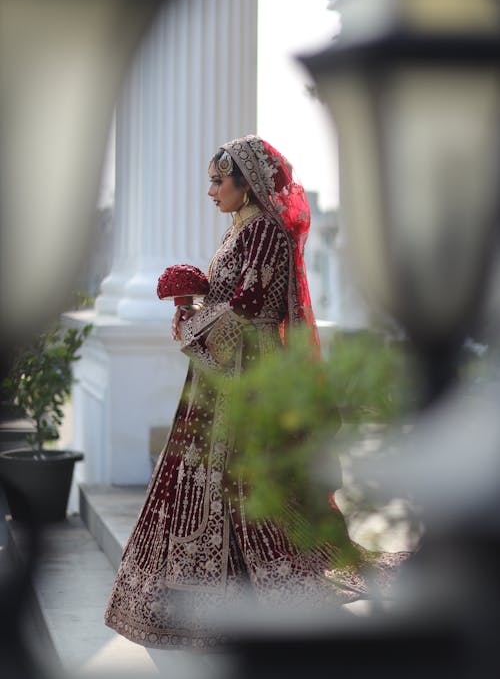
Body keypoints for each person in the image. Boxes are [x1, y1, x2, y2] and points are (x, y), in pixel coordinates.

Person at [104, 135, 407, 650]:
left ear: (245, 186)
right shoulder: (237, 229)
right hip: (221, 369)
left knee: (241, 474)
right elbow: (231, 293)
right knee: (206, 475)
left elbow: (250, 304)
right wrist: (195, 295)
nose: (210, 191)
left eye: (217, 181)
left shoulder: (265, 229)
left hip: (246, 366)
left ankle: (243, 586)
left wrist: (193, 327)